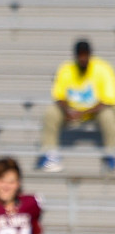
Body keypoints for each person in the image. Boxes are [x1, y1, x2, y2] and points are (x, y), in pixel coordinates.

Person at [37, 39, 115, 172]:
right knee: (51, 112)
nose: (83, 59)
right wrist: (68, 111)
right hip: (71, 112)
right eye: (80, 55)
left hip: (95, 112)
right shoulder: (66, 69)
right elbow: (59, 96)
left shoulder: (103, 68)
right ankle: (49, 154)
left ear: (90, 55)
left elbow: (107, 100)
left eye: (85, 55)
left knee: (108, 115)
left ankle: (111, 153)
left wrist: (83, 113)